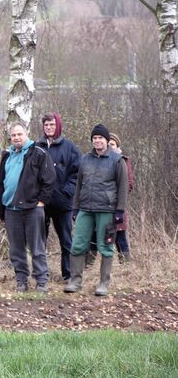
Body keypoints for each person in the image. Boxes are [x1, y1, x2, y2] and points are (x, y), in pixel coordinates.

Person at [64, 124, 128, 297]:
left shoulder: (117, 160)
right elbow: (78, 186)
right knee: (77, 245)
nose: (97, 141)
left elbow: (122, 187)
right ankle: (75, 281)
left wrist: (119, 211)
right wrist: (75, 207)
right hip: (85, 208)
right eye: (94, 138)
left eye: (100, 138)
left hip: (107, 210)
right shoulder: (85, 159)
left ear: (107, 140)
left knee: (105, 246)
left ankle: (103, 284)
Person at [0, 121, 56, 293]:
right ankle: (21, 281)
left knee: (36, 247)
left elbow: (49, 180)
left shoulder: (38, 153)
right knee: (16, 249)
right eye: (13, 135)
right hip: (11, 209)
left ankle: (41, 281)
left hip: (32, 209)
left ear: (26, 133)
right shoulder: (7, 155)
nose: (16, 138)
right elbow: (0, 183)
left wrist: (41, 202)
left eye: (19, 134)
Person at [37, 112, 81, 281]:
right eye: (46, 125)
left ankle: (68, 275)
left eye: (52, 125)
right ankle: (42, 275)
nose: (49, 128)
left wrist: (66, 191)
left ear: (58, 126)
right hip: (42, 203)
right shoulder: (37, 147)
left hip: (63, 204)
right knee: (40, 241)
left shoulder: (69, 147)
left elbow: (77, 173)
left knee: (66, 241)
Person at [107, 133, 135, 263]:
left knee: (120, 236)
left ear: (117, 145)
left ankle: (126, 263)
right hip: (100, 205)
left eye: (112, 144)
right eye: (108, 144)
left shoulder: (123, 160)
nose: (110, 147)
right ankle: (88, 267)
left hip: (118, 204)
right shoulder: (100, 159)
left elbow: (129, 184)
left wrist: (116, 195)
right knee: (95, 236)